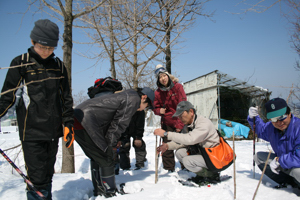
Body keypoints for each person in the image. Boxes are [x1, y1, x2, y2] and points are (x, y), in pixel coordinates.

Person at [0, 19, 74, 200]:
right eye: (42, 47)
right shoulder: (21, 64)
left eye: (50, 48)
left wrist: (68, 124)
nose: (46, 52)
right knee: (36, 178)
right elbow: (7, 97)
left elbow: (66, 98)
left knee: (48, 174)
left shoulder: (58, 66)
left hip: (53, 131)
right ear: (33, 42)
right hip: (31, 131)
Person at [73, 87, 154, 197]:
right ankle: (109, 193)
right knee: (107, 157)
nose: (144, 109)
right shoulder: (134, 100)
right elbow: (119, 124)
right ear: (144, 97)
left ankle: (99, 190)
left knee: (97, 156)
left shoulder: (128, 95)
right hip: (86, 121)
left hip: (79, 118)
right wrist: (111, 145)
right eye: (147, 106)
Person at [154, 101, 221, 184]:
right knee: (180, 153)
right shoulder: (188, 126)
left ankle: (212, 175)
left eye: (181, 115)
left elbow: (190, 139)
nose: (180, 118)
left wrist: (166, 134)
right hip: (204, 154)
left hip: (215, 157)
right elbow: (182, 142)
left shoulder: (203, 123)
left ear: (191, 112)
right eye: (179, 116)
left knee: (187, 161)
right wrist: (167, 146)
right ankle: (202, 174)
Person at [248, 97, 300, 189]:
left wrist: (279, 161)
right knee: (259, 157)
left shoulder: (298, 128)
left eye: (281, 117)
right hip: (286, 164)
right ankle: (289, 184)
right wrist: (253, 118)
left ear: (289, 114)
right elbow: (260, 131)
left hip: (296, 165)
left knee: (297, 171)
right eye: (274, 119)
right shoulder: (272, 128)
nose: (279, 122)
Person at [153, 64, 187, 172]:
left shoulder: (178, 87)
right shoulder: (158, 92)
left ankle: (186, 167)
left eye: (164, 75)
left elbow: (183, 105)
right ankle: (168, 168)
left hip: (179, 120)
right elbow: (154, 107)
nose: (163, 79)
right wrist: (159, 111)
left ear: (168, 75)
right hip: (167, 123)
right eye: (160, 77)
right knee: (166, 146)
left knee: (182, 145)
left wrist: (179, 125)